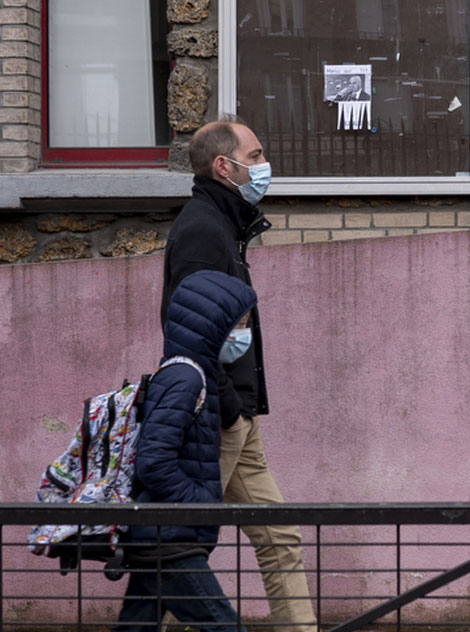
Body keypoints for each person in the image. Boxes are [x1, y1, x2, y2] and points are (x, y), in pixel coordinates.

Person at [162, 117, 317, 632]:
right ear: (223, 166)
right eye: (255, 156)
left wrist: (240, 408)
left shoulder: (224, 224)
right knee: (179, 547)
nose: (264, 166)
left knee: (278, 535)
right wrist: (228, 408)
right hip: (218, 416)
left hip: (235, 413)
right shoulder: (203, 230)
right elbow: (188, 328)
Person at [113, 269, 259, 632]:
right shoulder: (186, 377)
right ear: (212, 327)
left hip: (161, 536)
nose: (243, 335)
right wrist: (198, 503)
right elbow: (154, 460)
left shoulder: (193, 375)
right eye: (238, 324)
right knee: (227, 628)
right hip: (169, 541)